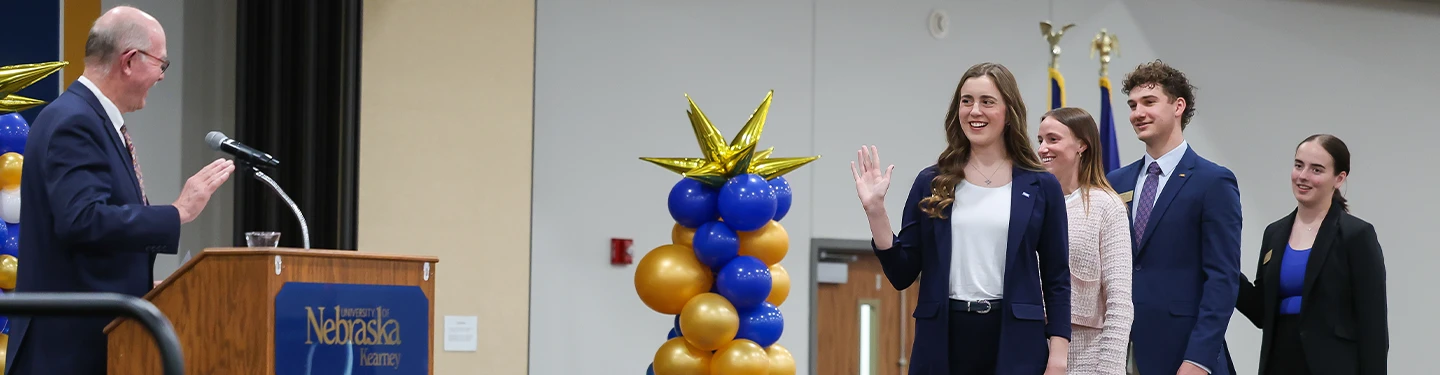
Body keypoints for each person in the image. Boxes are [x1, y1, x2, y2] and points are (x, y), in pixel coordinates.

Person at [5, 6, 236, 375]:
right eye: (162, 64)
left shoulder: (89, 119)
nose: (161, 77)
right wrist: (178, 211)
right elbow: (83, 220)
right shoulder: (74, 121)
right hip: (66, 353)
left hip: (86, 343)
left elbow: (89, 238)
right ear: (130, 61)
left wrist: (145, 284)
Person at [851, 62, 1071, 375]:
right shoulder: (932, 181)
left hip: (1016, 338)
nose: (974, 111)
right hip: (943, 337)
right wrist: (875, 211)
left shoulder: (1041, 185)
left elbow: (1057, 276)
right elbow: (902, 272)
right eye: (966, 101)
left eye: (987, 102)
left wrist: (1058, 352)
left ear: (1009, 112)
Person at [1105, 60, 1241, 375]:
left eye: (1149, 102)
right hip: (1120, 353)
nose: (1137, 113)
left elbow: (1222, 278)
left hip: (1184, 354)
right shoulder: (1116, 182)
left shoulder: (1213, 182)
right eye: (1133, 105)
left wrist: (1198, 360)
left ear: (1178, 106)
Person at [1235, 134, 1388, 375]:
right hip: (1280, 364)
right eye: (1298, 165)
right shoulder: (1274, 233)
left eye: (1316, 169)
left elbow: (1373, 327)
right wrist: (1223, 271)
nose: (1303, 176)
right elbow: (1262, 313)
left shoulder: (1356, 235)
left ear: (1339, 178)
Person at [1036, 107, 1134, 374]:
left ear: (1082, 144)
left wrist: (1109, 369)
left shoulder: (1107, 206)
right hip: (1030, 351)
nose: (1043, 148)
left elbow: (1119, 301)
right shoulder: (1033, 204)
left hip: (1088, 358)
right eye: (1040, 140)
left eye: (1053, 140)